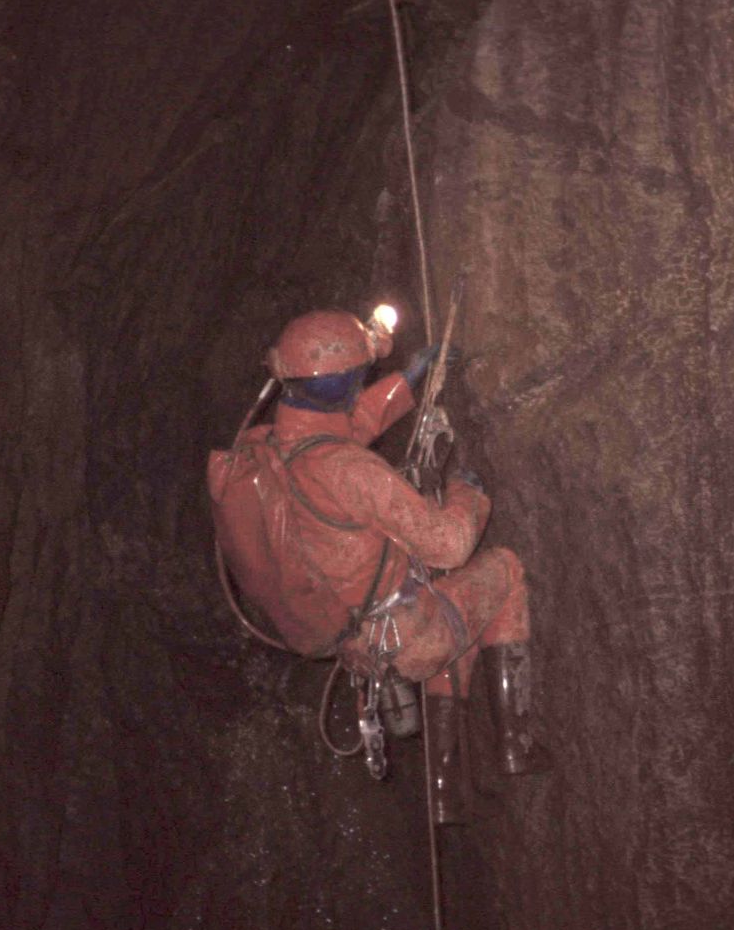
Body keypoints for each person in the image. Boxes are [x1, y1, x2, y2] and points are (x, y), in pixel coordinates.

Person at [207, 307, 545, 822]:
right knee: (504, 572)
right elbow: (451, 544)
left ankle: (444, 791)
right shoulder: (350, 472)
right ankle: (516, 746)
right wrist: (466, 493)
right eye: (361, 373)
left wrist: (406, 381)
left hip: (363, 645)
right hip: (410, 633)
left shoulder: (276, 447)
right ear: (345, 381)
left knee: (449, 624)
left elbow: (343, 425)